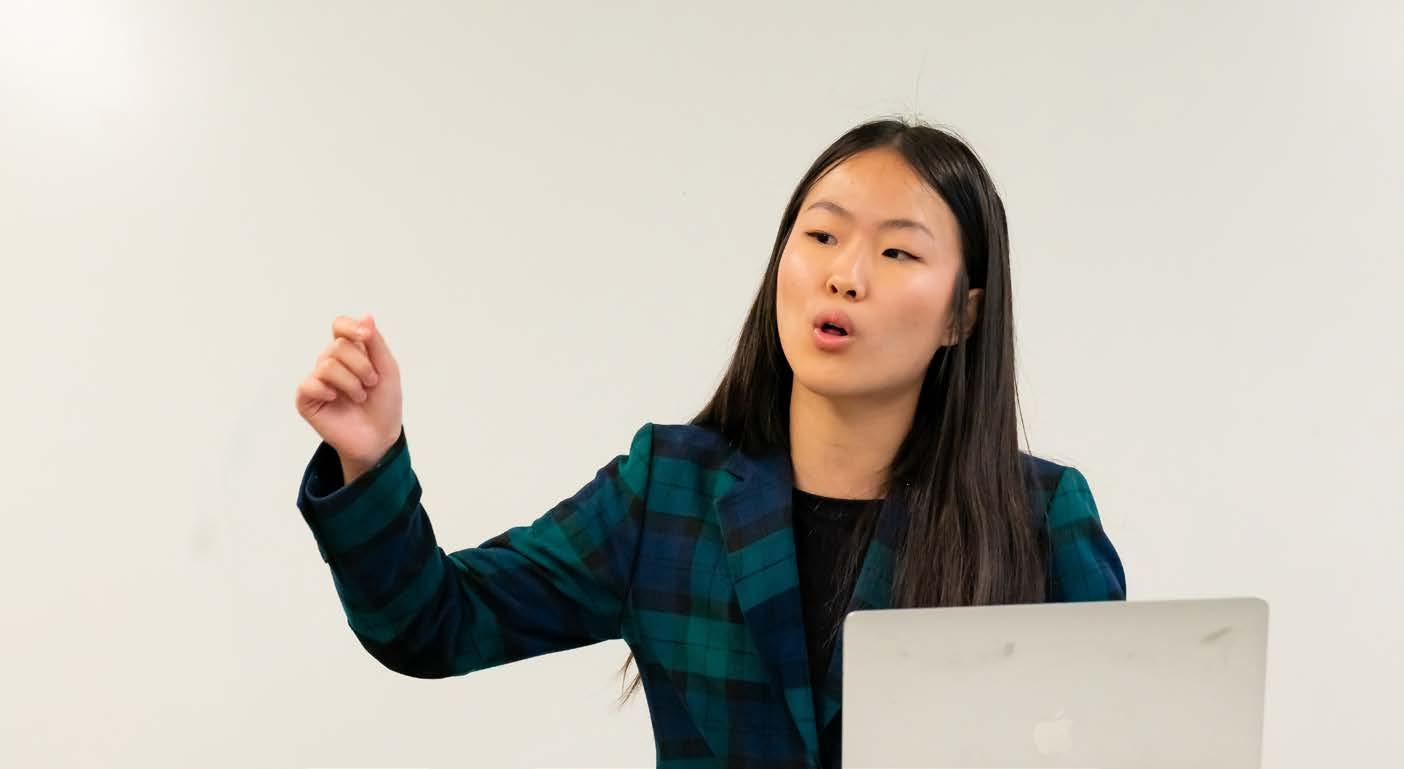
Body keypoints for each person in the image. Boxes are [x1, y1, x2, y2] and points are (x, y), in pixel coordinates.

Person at [292, 117, 1126, 769]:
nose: (846, 275)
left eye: (898, 250)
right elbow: (433, 623)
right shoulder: (667, 491)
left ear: (961, 315)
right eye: (822, 235)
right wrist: (370, 460)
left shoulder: (1037, 519)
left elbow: (1115, 745)